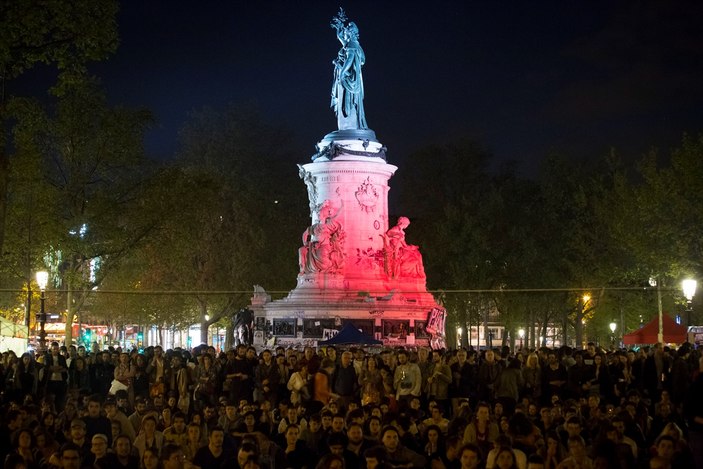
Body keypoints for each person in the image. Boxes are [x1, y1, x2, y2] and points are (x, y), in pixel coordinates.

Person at [330, 8, 367, 130]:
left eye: (348, 28)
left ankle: (349, 127)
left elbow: (350, 59)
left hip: (348, 79)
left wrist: (343, 72)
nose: (346, 29)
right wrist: (339, 26)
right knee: (346, 104)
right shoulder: (351, 43)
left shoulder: (352, 45)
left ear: (351, 32)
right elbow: (340, 37)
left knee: (348, 104)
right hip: (349, 78)